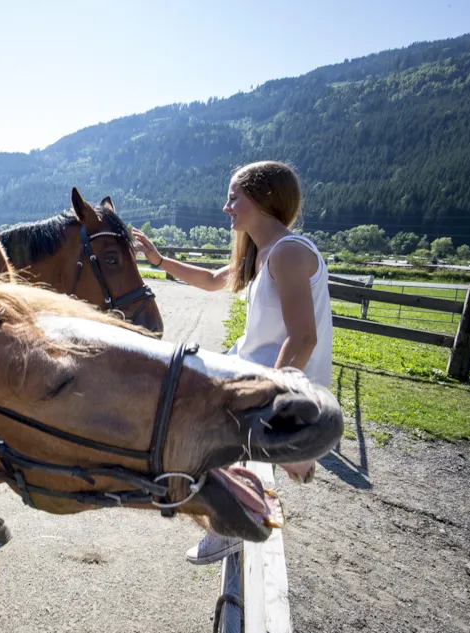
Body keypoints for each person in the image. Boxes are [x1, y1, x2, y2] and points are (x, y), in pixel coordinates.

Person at [133, 160, 332, 565]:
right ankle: (231, 509)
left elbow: (304, 337)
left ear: (262, 198)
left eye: (233, 197)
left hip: (272, 378)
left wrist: (273, 404)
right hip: (254, 366)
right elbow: (209, 280)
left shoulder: (289, 253)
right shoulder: (264, 254)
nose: (226, 207)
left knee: (200, 425)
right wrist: (157, 260)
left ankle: (229, 527)